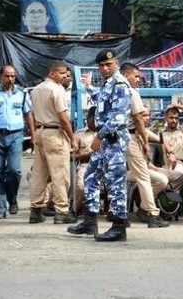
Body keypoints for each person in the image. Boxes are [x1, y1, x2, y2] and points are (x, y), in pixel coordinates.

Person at [68, 50, 135, 242]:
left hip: (113, 141)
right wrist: (88, 87)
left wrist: (99, 136)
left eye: (109, 65)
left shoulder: (121, 84)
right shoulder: (109, 84)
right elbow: (101, 100)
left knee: (116, 184)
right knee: (90, 177)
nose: (105, 68)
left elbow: (119, 118)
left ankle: (119, 227)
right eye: (102, 66)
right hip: (105, 142)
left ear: (117, 63)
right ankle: (90, 220)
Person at [120, 63, 169, 228]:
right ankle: (152, 214)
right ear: (127, 76)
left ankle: (120, 215)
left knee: (119, 178)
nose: (138, 79)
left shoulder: (115, 89)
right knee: (143, 177)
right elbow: (139, 120)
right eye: (136, 76)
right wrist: (146, 143)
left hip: (117, 137)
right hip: (130, 136)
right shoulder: (131, 92)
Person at [28, 61, 77, 224]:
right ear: (52, 73)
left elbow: (33, 114)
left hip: (40, 131)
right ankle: (62, 211)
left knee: (39, 174)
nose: (64, 76)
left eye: (65, 74)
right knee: (60, 174)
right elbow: (63, 118)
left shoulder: (36, 90)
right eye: (62, 73)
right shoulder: (57, 90)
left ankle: (35, 210)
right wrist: (72, 138)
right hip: (55, 133)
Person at [0, 63, 33, 218]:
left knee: (14, 170)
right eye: (7, 76)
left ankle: (12, 198)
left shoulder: (22, 94)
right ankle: (1, 209)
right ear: (1, 76)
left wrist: (33, 135)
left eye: (12, 76)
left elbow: (28, 114)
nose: (10, 79)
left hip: (16, 135)